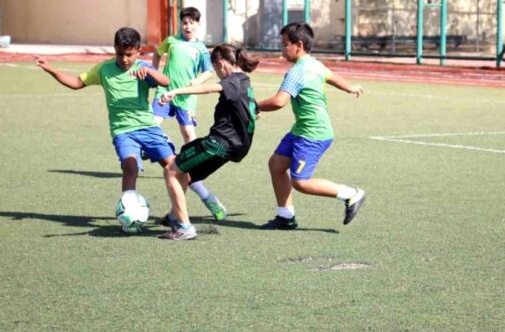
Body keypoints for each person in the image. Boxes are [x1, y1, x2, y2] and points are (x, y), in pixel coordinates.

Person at [36, 27, 182, 234]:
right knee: (129, 166)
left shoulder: (142, 68)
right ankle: (130, 217)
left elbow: (166, 82)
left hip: (148, 128)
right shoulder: (104, 69)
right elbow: (77, 82)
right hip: (122, 131)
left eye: (129, 55)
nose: (124, 59)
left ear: (138, 52)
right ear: (114, 50)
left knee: (175, 167)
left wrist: (149, 71)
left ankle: (179, 213)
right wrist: (51, 69)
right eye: (120, 54)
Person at [257, 22, 367, 230]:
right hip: (302, 130)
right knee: (277, 165)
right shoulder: (314, 64)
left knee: (301, 182)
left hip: (313, 134)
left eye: (284, 44)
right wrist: (350, 88)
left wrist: (253, 105)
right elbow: (332, 77)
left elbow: (279, 102)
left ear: (298, 45)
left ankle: (352, 194)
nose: (282, 49)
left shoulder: (296, 72)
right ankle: (286, 217)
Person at [157, 44, 259, 240]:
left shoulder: (232, 81)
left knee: (170, 170)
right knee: (184, 173)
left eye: (215, 69)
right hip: (234, 149)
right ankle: (174, 216)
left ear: (220, 63)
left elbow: (209, 88)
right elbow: (256, 113)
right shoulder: (246, 83)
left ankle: (185, 227)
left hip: (219, 143)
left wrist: (176, 92)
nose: (216, 74)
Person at [151, 7, 226, 222]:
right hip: (165, 91)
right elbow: (157, 53)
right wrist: (155, 73)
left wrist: (197, 82)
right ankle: (161, 144)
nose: (188, 26)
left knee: (189, 135)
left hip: (186, 97)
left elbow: (208, 70)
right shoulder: (171, 41)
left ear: (198, 25)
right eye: (184, 22)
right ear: (180, 24)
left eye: (192, 22)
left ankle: (193, 163)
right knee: (152, 123)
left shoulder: (201, 48)